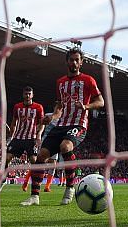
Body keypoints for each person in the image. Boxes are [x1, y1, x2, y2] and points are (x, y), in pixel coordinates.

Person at [21, 47, 104, 206]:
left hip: (78, 123)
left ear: (81, 62)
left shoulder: (88, 80)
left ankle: (70, 187)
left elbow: (101, 102)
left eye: (76, 60)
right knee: (41, 155)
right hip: (61, 124)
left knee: (65, 147)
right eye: (71, 59)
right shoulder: (60, 82)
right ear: (67, 61)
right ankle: (34, 196)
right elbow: (59, 108)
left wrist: (86, 107)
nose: (73, 62)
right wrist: (51, 117)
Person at [3, 86, 45, 192]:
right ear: (23, 95)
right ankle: (3, 179)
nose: (27, 96)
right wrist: (11, 136)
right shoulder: (17, 107)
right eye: (26, 94)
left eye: (29, 94)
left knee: (34, 160)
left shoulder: (38, 107)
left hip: (31, 138)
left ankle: (35, 186)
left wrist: (38, 135)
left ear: (32, 95)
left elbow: (41, 123)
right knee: (6, 158)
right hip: (18, 137)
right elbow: (14, 122)